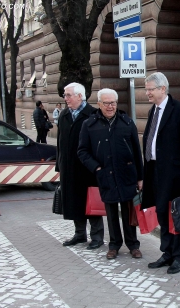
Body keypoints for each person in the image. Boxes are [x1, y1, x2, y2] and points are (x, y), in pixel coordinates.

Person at [78, 88, 144, 260]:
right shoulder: (90, 125)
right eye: (106, 103)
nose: (110, 106)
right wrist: (96, 168)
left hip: (127, 175)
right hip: (105, 176)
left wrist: (140, 177)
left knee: (129, 212)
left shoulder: (127, 122)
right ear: (99, 104)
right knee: (111, 212)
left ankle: (133, 245)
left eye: (113, 103)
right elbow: (82, 151)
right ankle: (114, 245)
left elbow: (137, 152)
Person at [141, 72, 180, 274]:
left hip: (174, 173)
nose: (147, 93)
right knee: (162, 213)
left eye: (150, 89)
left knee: (177, 214)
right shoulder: (152, 110)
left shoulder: (179, 109)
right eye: (146, 89)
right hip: (154, 170)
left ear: (162, 89)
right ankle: (167, 252)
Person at [56, 82, 105, 250]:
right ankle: (80, 234)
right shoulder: (64, 115)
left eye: (68, 95)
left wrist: (98, 167)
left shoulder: (93, 115)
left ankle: (97, 236)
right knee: (74, 201)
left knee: (91, 201)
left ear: (79, 96)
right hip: (69, 168)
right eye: (65, 95)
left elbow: (99, 145)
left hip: (88, 169)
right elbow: (59, 143)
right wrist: (59, 165)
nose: (65, 98)